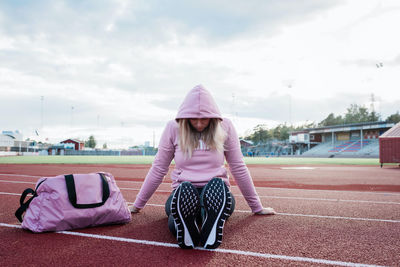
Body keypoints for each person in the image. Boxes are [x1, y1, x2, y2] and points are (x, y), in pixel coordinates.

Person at [129, 85, 275, 249]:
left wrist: (257, 207)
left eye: (204, 119)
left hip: (217, 192)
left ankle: (206, 221)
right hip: (183, 191)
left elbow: (238, 166)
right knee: (174, 219)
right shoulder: (173, 128)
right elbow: (158, 168)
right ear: (184, 117)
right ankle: (192, 225)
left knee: (211, 206)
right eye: (193, 119)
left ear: (213, 118)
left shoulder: (225, 126)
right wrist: (137, 205)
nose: (199, 124)